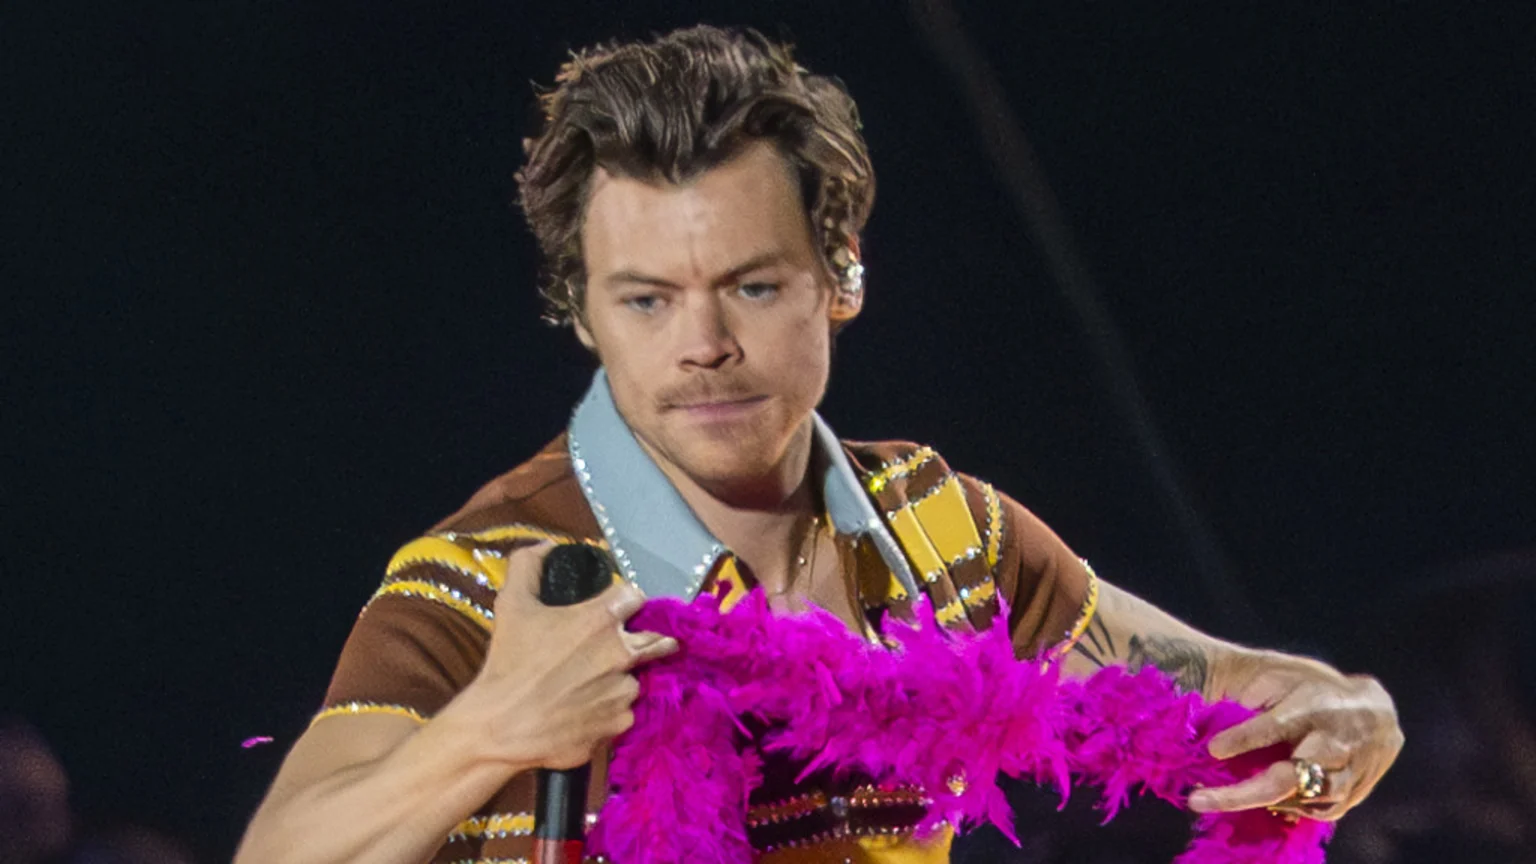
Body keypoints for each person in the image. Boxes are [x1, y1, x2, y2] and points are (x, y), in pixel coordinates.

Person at [234, 25, 1403, 864]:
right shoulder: (499, 572)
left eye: (748, 285)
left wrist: (1350, 714)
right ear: (580, 311)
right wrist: (496, 727)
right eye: (644, 299)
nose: (701, 343)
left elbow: (1252, 690)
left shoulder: (939, 528)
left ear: (839, 276)